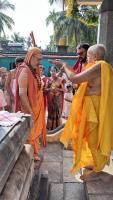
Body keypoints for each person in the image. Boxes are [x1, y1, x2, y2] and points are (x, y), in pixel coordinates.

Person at [49, 44, 113, 181]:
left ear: (95, 56)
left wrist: (65, 65)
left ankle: (99, 170)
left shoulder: (99, 66)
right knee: (89, 138)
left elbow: (75, 78)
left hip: (94, 109)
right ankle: (95, 163)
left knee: (94, 139)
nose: (87, 58)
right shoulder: (95, 67)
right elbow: (79, 80)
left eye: (88, 55)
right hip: (90, 107)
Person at [15, 47, 47, 161]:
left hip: (38, 107)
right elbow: (22, 94)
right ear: (30, 57)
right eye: (38, 59)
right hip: (29, 109)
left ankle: (34, 152)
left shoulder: (34, 70)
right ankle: (30, 155)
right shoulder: (24, 70)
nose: (40, 62)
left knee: (35, 132)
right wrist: (30, 112)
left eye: (41, 60)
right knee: (30, 133)